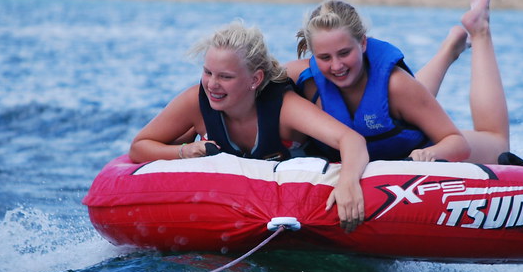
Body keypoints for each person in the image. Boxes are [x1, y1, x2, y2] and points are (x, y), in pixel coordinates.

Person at [129, 22, 370, 232]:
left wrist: (347, 184)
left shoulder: (284, 108)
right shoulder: (196, 102)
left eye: (225, 77)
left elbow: (351, 140)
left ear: (254, 79)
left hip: (302, 206)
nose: (212, 84)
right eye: (207, 72)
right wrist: (183, 152)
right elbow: (139, 147)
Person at [286, 0, 511, 164]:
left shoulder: (398, 86)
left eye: (344, 53)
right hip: (401, 109)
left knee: (497, 143)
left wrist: (431, 154)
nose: (336, 66)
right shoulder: (301, 77)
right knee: (404, 99)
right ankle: (450, 50)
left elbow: (459, 144)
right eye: (324, 57)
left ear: (363, 43)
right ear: (312, 53)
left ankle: (479, 29)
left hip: (419, 145)